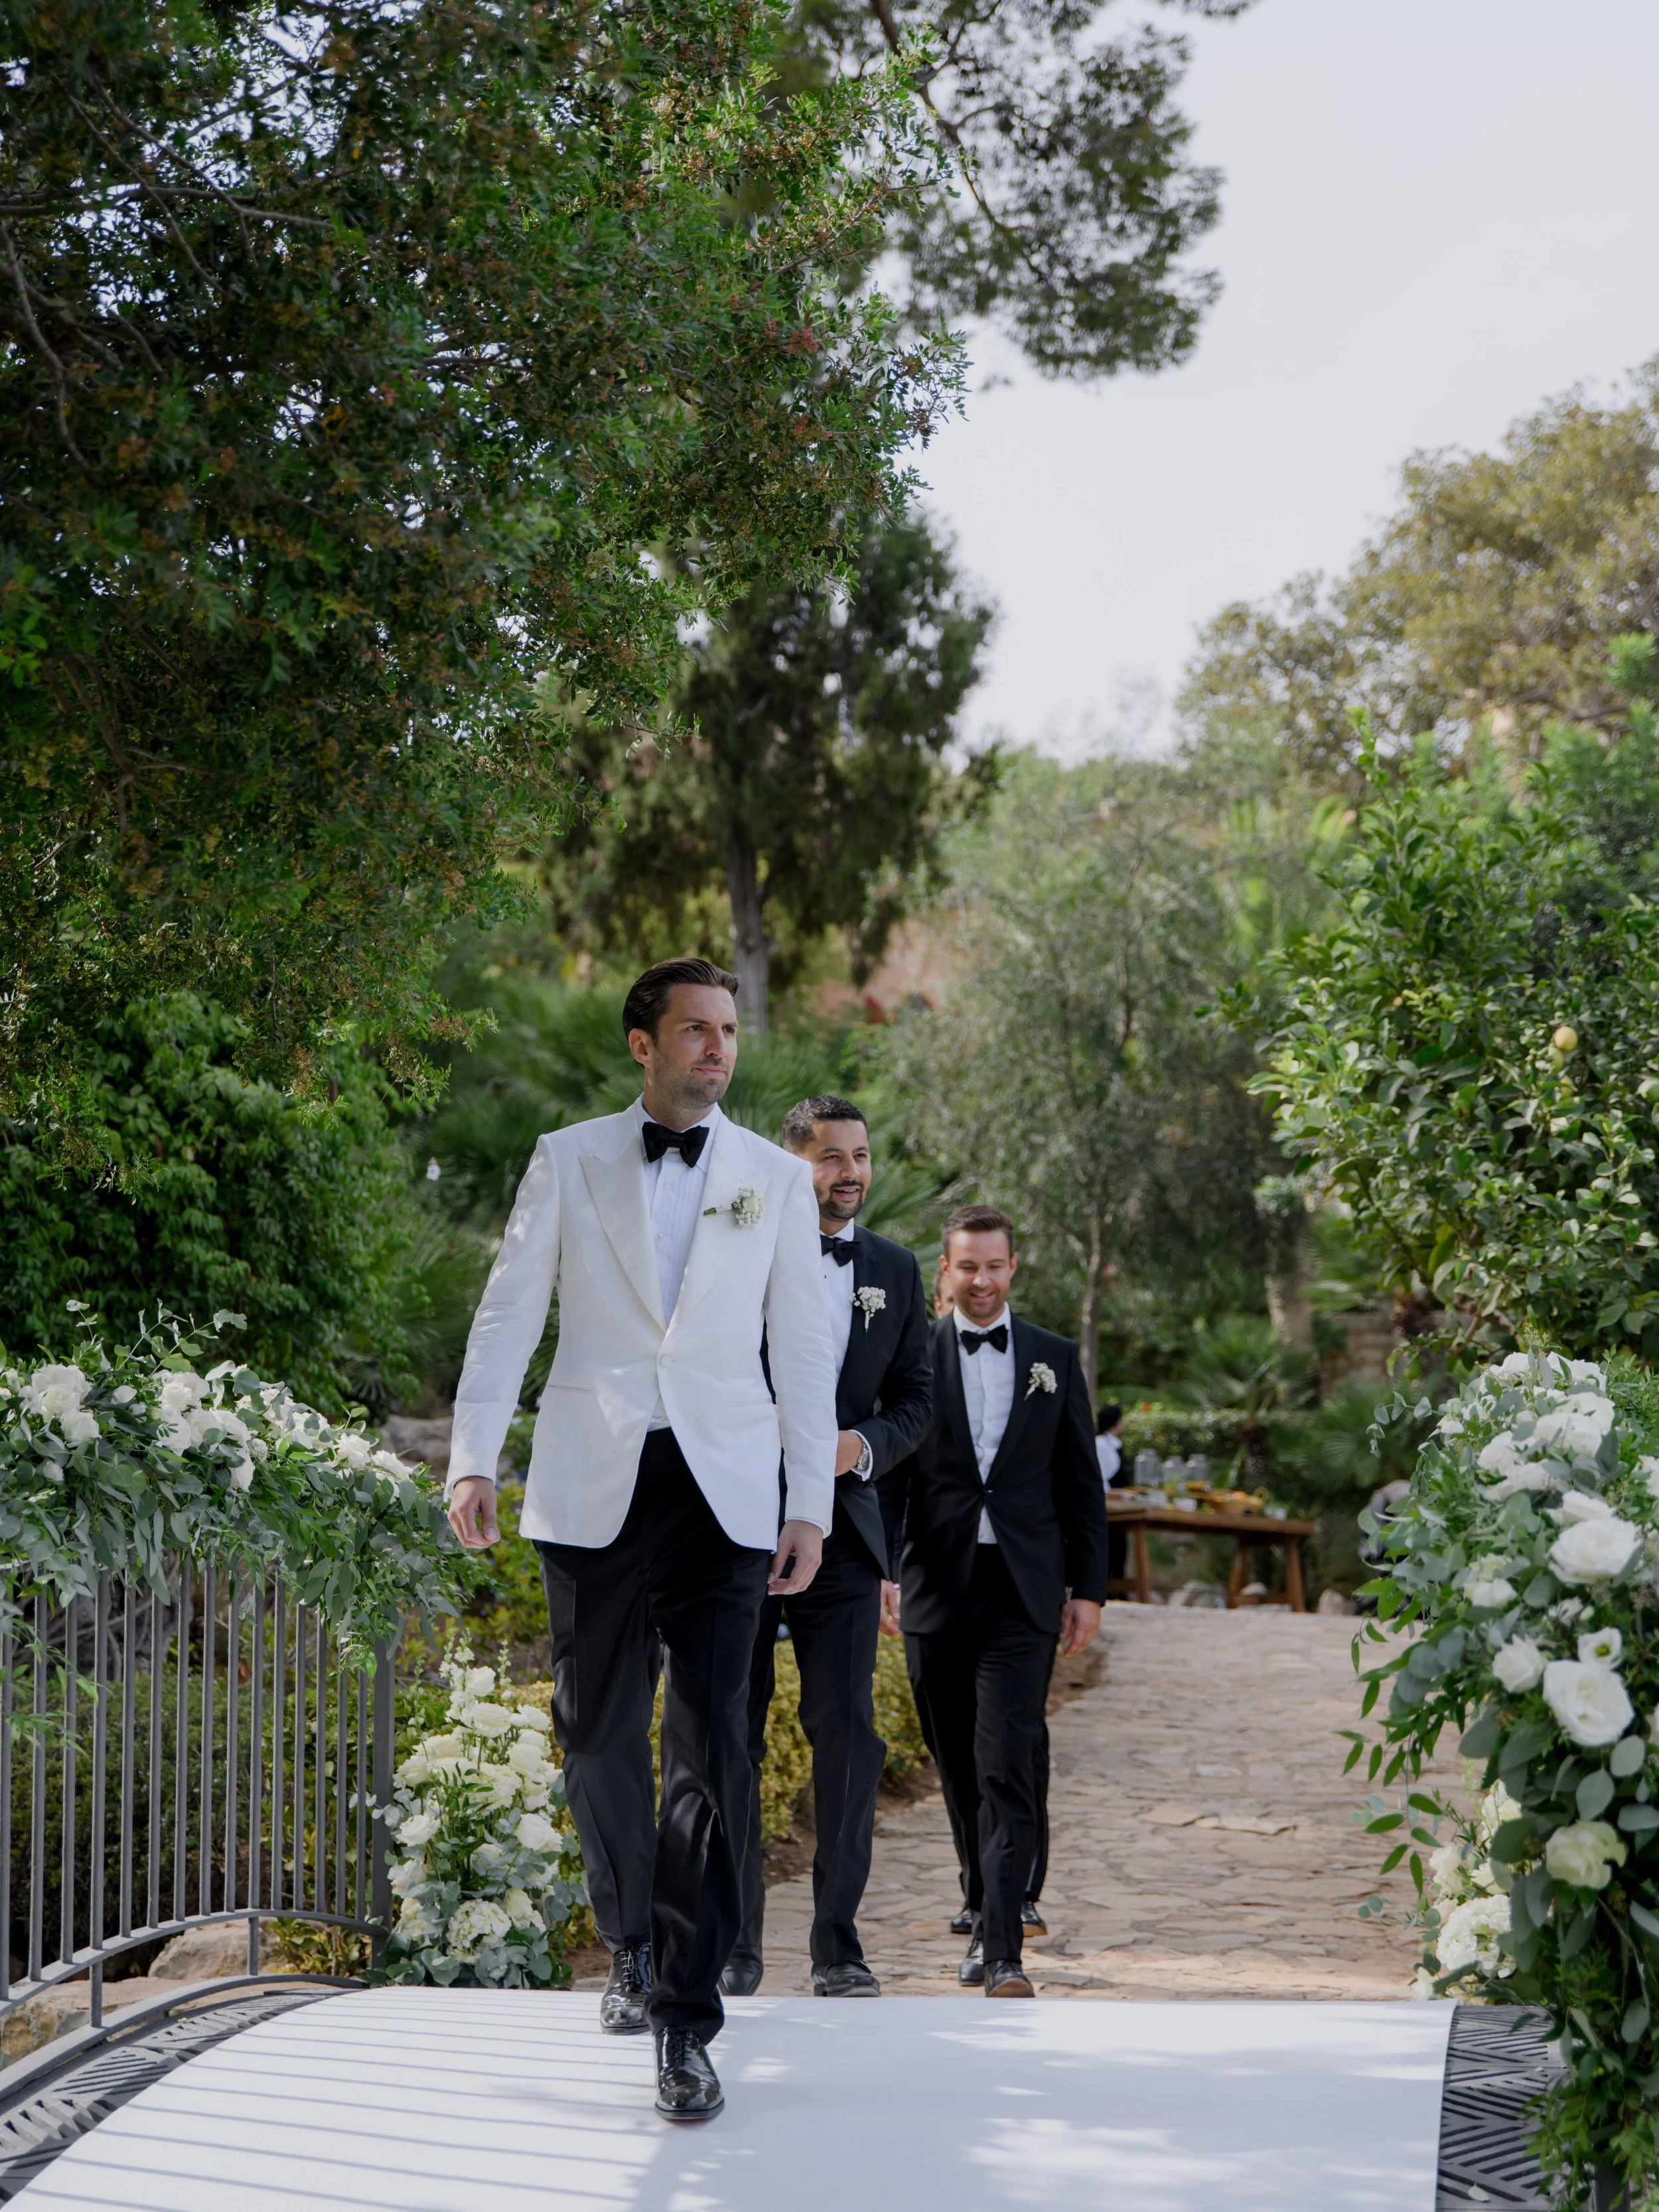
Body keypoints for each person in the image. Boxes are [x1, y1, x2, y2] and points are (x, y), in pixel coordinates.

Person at [445, 957, 835, 2123]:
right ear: (642, 1043)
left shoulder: (774, 1176)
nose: (719, 1047)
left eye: (728, 1030)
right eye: (696, 1030)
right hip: (593, 1469)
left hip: (723, 1484)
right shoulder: (568, 1156)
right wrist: (475, 1451)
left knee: (710, 1743)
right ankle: (626, 1932)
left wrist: (806, 1497)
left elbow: (804, 1342)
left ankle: (682, 2012)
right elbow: (512, 1303)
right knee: (596, 1726)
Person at [722, 1096, 932, 1998]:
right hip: (731, 1525)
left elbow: (919, 1403)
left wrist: (863, 1447)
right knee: (728, 1728)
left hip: (845, 1534)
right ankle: (732, 1943)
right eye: (829, 1156)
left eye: (861, 1155)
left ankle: (837, 1941)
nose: (849, 1171)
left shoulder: (894, 1267)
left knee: (846, 1729)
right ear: (790, 1162)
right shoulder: (732, 1254)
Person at [889, 1204, 1109, 1997]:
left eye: (994, 1266)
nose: (980, 1281)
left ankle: (1003, 1944)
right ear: (943, 1272)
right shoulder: (909, 1355)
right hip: (935, 1588)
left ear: (1014, 1268)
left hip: (1023, 1592)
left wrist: (1090, 1590)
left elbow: (1080, 1484)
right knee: (955, 1765)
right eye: (966, 1267)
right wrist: (885, 1570)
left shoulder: (1052, 1357)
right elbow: (889, 1478)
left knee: (1005, 1760)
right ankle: (981, 1896)